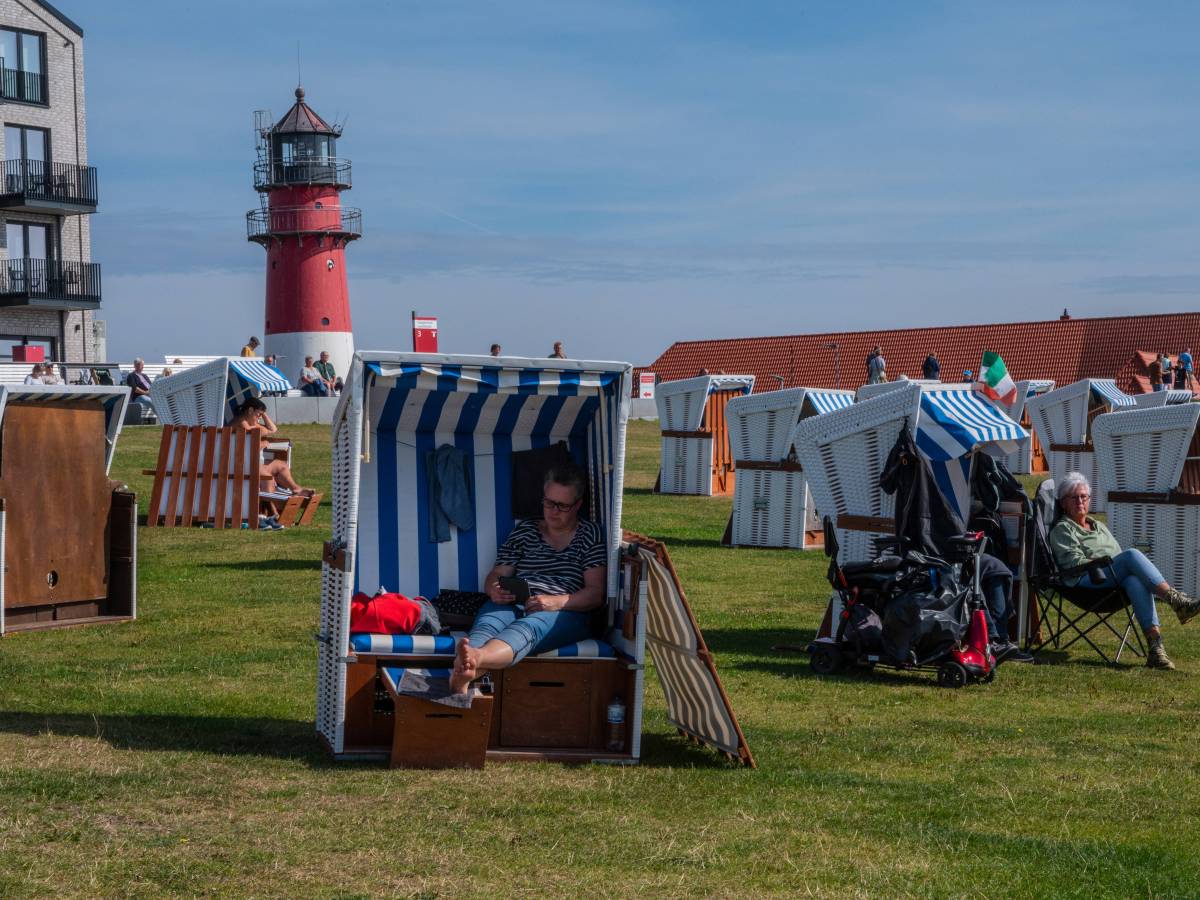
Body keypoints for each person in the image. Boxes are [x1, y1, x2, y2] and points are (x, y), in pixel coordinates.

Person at [450, 463, 606, 694]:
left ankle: (475, 660)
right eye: (548, 502)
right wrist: (494, 588)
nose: (553, 511)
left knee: (528, 627)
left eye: (562, 506)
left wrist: (555, 602)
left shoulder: (590, 534)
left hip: (565, 611)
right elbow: (497, 573)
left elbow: (596, 593)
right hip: (516, 600)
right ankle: (466, 670)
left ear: (578, 505)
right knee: (487, 624)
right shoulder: (526, 530)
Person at [1050, 472, 1199, 669]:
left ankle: (1156, 650)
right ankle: (1177, 601)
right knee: (1131, 556)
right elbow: (1072, 564)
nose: (1080, 501)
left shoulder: (1098, 526)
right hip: (1085, 582)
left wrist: (1113, 562)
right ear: (1063, 503)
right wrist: (1104, 561)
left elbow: (1116, 553)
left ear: (1089, 500)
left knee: (1134, 581)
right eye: (1074, 497)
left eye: (1084, 496)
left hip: (1110, 578)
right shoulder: (1062, 529)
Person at [233, 398, 313, 500]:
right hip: (241, 465)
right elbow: (249, 445)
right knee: (268, 478)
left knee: (281, 466)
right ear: (250, 410)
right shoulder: (241, 422)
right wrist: (263, 443)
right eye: (259, 415)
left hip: (251, 463)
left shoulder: (249, 422)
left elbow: (273, 429)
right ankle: (272, 511)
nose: (259, 418)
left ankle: (296, 489)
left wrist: (262, 413)